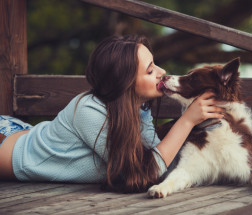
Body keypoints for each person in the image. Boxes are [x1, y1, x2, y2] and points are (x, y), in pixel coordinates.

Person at [0, 35, 224, 193]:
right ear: (125, 82)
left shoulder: (138, 108)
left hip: (23, 130)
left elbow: (160, 165)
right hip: (10, 149)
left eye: (155, 64)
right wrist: (187, 121)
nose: (162, 72)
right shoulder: (88, 111)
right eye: (150, 70)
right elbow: (142, 174)